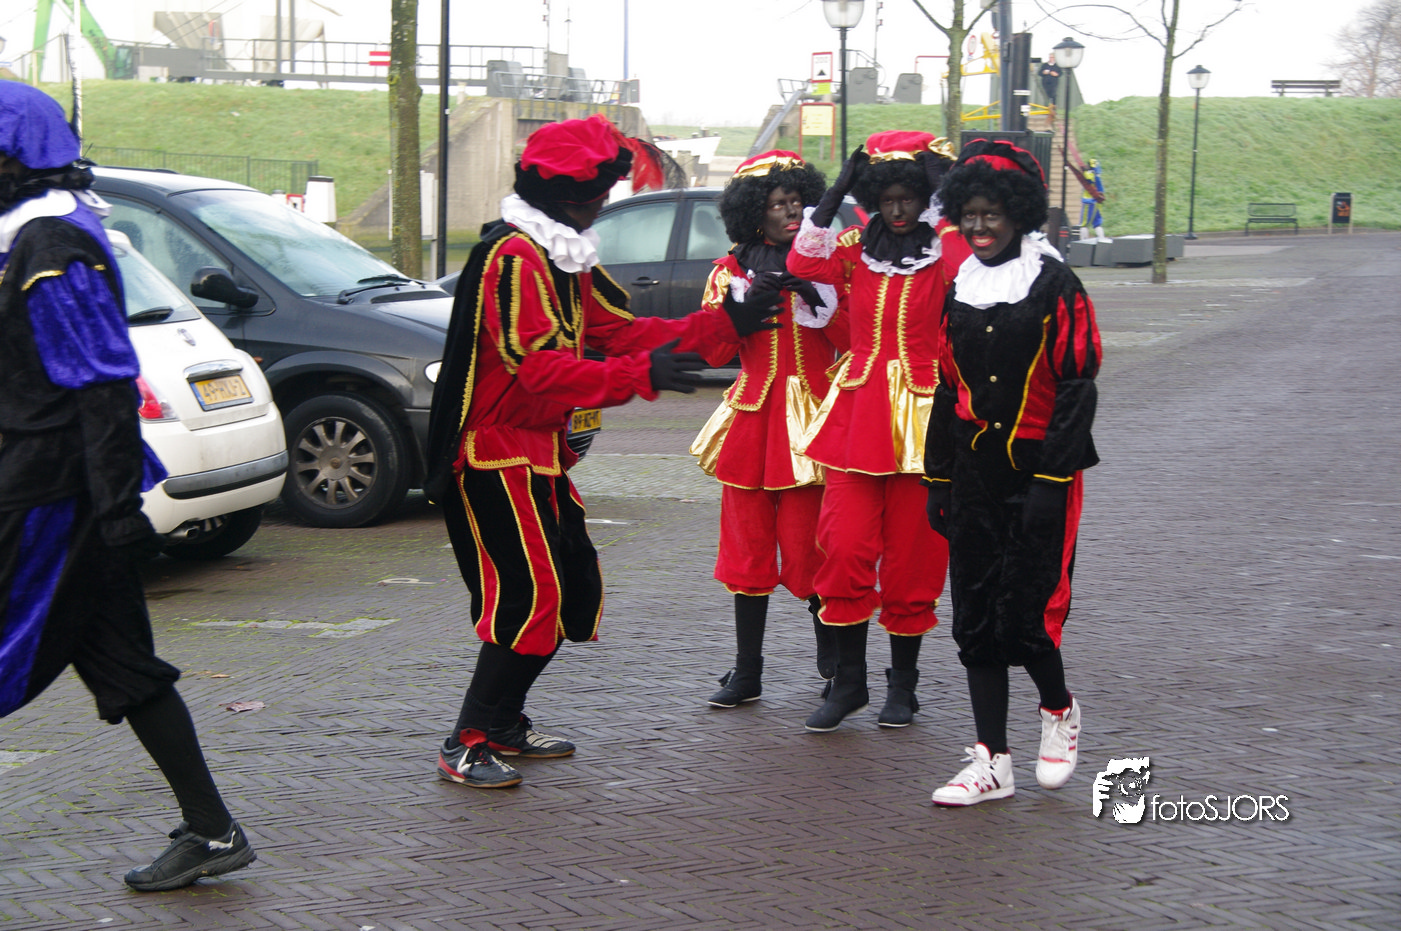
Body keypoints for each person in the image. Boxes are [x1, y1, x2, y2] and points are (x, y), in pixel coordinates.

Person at [426, 114, 754, 789]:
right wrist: (639, 376)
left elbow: (621, 330)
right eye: (594, 194)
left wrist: (721, 326)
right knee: (529, 593)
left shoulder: (561, 253)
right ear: (564, 196)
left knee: (570, 588)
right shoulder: (513, 257)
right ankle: (467, 738)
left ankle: (504, 722)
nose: (602, 204)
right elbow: (538, 369)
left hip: (539, 452)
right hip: (493, 452)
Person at [0, 81, 255, 890]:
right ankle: (212, 829)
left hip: (52, 501)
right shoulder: (32, 236)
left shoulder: (51, 248)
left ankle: (213, 829)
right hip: (54, 490)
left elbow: (103, 386)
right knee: (123, 666)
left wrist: (115, 513)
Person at [923, 138, 1101, 806]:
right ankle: (991, 760)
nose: (978, 227)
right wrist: (938, 477)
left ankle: (1058, 707)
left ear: (1017, 213)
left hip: (1038, 472)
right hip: (975, 472)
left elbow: (1077, 386)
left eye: (991, 214)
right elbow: (947, 387)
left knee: (1026, 614)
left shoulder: (1055, 285)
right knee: (973, 616)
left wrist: (1052, 482)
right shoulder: (961, 285)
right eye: (968, 214)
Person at [787, 131, 968, 732]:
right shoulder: (852, 248)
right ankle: (849, 683)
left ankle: (903, 686)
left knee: (914, 556)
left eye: (907, 198)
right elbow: (802, 264)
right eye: (885, 199)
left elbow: (965, 265)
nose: (896, 210)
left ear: (924, 197)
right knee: (842, 548)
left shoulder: (943, 252)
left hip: (924, 417)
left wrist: (944, 203)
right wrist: (833, 195)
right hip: (857, 412)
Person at [688, 151, 849, 708]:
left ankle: (835, 669)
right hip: (751, 421)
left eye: (797, 202)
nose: (791, 212)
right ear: (755, 212)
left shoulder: (827, 266)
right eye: (778, 204)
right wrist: (740, 313)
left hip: (814, 422)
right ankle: (747, 671)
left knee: (814, 550)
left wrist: (817, 298)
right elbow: (712, 352)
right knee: (746, 549)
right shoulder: (728, 273)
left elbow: (854, 341)